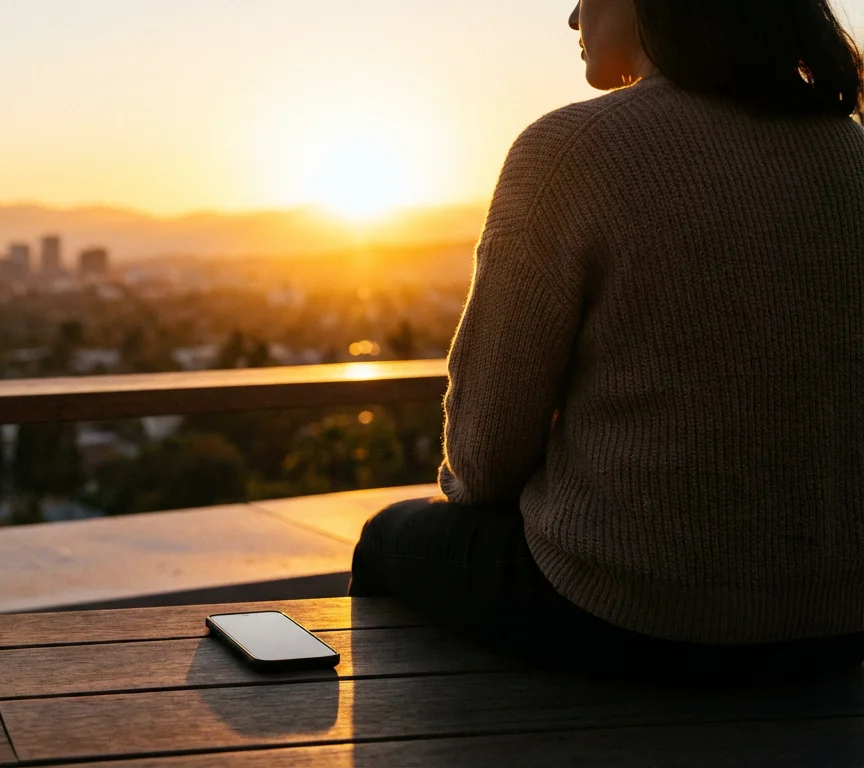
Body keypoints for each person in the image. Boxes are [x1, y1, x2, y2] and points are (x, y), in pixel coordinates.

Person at [351, 0, 864, 679]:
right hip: (838, 625)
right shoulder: (850, 150)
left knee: (387, 539)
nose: (571, 18)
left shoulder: (573, 152)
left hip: (630, 613)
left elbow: (483, 462)